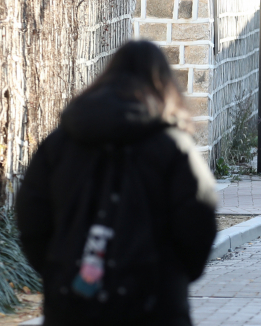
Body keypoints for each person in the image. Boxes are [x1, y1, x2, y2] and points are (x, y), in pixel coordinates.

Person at [15, 41, 218, 326]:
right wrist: (177, 274)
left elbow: (31, 215)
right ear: (164, 84)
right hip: (154, 302)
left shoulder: (60, 143)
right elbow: (198, 218)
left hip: (72, 299)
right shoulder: (173, 147)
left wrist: (57, 264)